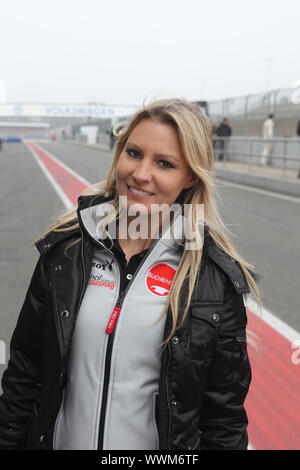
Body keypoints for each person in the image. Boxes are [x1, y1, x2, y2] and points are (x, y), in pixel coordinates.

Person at [0, 98, 259, 451]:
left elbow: (223, 422)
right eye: (134, 153)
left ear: (189, 177)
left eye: (164, 163)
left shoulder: (213, 279)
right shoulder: (65, 252)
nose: (140, 174)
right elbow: (24, 376)